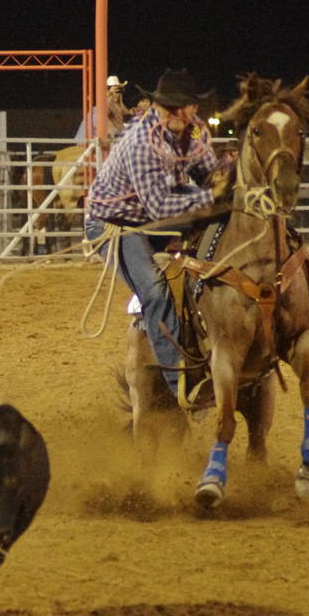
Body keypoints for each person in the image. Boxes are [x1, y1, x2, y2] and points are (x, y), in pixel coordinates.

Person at [84, 68, 230, 398]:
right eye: (169, 108)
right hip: (116, 225)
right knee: (155, 293)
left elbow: (210, 174)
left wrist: (231, 179)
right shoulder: (141, 143)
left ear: (192, 109)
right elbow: (159, 207)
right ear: (159, 108)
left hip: (154, 216)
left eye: (182, 107)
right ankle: (181, 383)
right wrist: (213, 197)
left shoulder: (194, 135)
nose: (176, 115)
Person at [74, 75, 131, 142]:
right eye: (115, 89)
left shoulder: (117, 105)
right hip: (95, 139)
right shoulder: (103, 105)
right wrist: (110, 95)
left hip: (111, 137)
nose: (117, 93)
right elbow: (104, 113)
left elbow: (126, 114)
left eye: (118, 89)